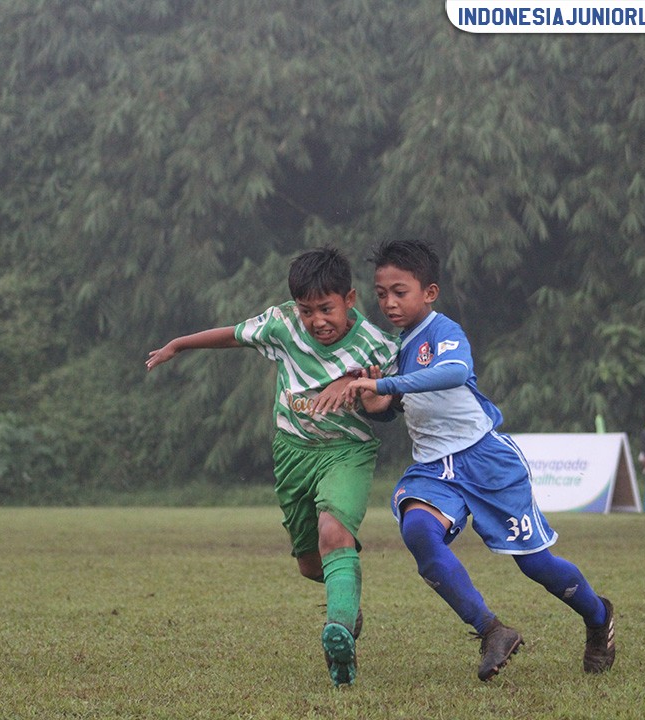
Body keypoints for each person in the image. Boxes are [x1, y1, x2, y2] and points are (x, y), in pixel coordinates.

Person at [341, 239, 615, 682]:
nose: (389, 302)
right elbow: (398, 405)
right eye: (381, 292)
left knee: (536, 565)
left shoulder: (442, 330)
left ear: (429, 293)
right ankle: (492, 630)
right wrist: (374, 400)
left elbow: (455, 373)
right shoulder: (396, 346)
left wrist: (387, 387)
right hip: (436, 469)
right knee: (418, 531)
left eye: (400, 291)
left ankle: (598, 615)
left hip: (486, 460)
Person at [145, 247, 399, 687]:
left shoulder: (377, 345)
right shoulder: (281, 323)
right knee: (308, 564)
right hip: (292, 452)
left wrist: (366, 392)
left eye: (327, 309)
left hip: (347, 451)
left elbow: (386, 404)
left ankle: (338, 631)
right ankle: (346, 598)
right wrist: (178, 345)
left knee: (333, 534)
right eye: (307, 310)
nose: (317, 320)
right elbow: (232, 336)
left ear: (350, 299)